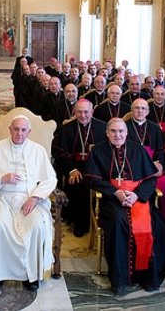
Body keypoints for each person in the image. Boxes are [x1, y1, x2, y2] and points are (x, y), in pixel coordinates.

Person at [84, 118, 165, 296]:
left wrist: (137, 194)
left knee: (157, 226)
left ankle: (148, 277)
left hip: (138, 197)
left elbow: (151, 178)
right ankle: (120, 279)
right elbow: (92, 179)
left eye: (121, 131)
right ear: (107, 133)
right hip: (112, 199)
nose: (118, 135)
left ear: (127, 133)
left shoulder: (138, 149)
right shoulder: (98, 151)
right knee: (118, 222)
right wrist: (115, 192)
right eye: (113, 131)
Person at [0, 115, 57, 294]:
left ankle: (31, 276)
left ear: (29, 132)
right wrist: (1, 178)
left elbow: (50, 179)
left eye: (23, 130)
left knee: (37, 226)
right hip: (1, 198)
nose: (19, 133)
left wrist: (35, 198)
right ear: (10, 129)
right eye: (16, 129)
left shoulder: (38, 151)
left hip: (28, 198)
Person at [51, 99, 107, 237]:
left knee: (95, 182)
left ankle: (100, 221)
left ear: (92, 112)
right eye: (79, 112)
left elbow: (106, 152)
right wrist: (71, 170)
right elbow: (59, 152)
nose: (83, 115)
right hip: (74, 167)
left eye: (86, 112)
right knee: (77, 183)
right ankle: (79, 223)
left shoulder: (102, 127)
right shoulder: (66, 129)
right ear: (74, 112)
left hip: (95, 168)